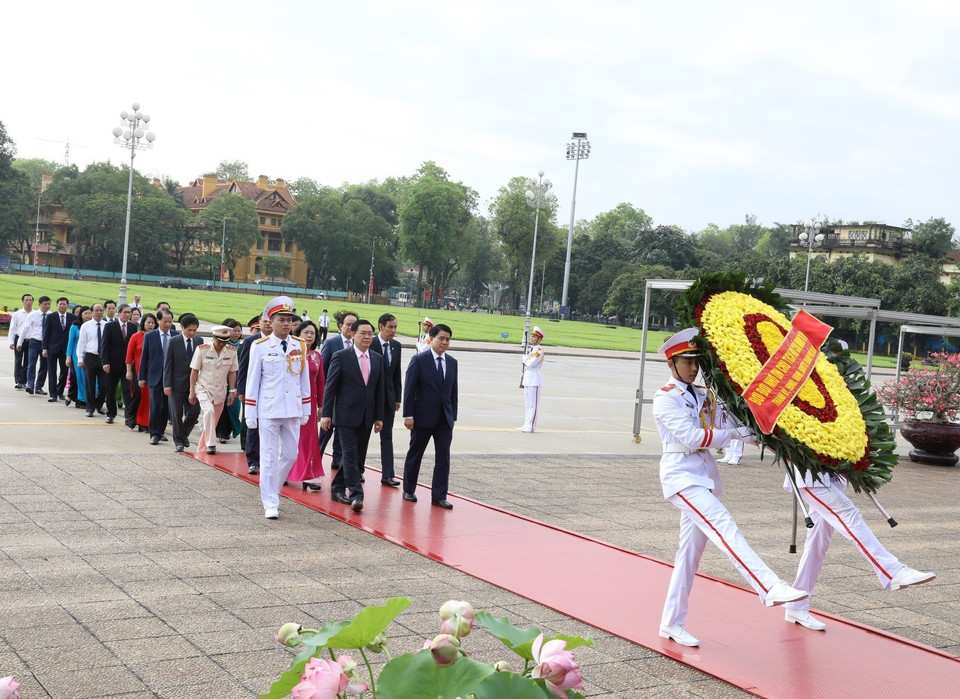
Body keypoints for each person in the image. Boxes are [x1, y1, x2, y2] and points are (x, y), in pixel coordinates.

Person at [653, 328, 808, 648]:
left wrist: (770, 435)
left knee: (688, 557)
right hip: (681, 476)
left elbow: (728, 424)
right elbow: (694, 438)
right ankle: (768, 586)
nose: (693, 368)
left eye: (696, 361)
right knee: (724, 526)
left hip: (701, 477)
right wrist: (736, 434)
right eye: (686, 362)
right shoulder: (665, 398)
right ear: (671, 363)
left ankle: (671, 623)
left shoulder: (704, 394)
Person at [781, 469, 935, 631]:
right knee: (849, 515)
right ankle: (892, 571)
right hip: (811, 479)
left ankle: (796, 606)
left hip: (832, 478)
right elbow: (754, 441)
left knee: (817, 544)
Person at [245, 296, 312, 519]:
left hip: (292, 407)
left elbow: (304, 380)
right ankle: (270, 502)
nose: (286, 324)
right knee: (269, 456)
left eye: (289, 320)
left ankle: (272, 488)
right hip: (269, 408)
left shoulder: (299, 345)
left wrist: (306, 408)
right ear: (270, 321)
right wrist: (250, 411)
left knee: (291, 455)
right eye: (281, 320)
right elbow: (253, 380)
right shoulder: (260, 346)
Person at [321, 318, 384, 512]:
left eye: (370, 334)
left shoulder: (377, 358)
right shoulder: (341, 356)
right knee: (348, 454)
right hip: (345, 415)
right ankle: (356, 494)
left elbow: (380, 390)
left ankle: (338, 487)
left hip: (367, 415)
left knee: (357, 457)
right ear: (352, 334)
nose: (367, 337)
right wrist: (326, 414)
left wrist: (379, 416)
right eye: (363, 333)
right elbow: (330, 387)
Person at [401, 323, 458, 509]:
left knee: (443, 458)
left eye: (448, 339)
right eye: (441, 338)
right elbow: (409, 390)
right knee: (415, 454)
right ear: (431, 339)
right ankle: (409, 489)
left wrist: (453, 416)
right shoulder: (419, 360)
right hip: (422, 418)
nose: (445, 342)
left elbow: (453, 393)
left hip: (444, 419)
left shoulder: (452, 362)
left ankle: (439, 495)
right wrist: (408, 415)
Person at [189, 325, 239, 455]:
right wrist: (192, 391)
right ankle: (211, 444)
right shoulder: (202, 350)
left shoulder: (232, 351)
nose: (222, 344)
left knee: (212, 421)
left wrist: (232, 391)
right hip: (203, 388)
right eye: (219, 341)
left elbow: (232, 373)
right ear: (213, 337)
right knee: (209, 412)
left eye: (225, 341)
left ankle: (201, 448)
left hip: (220, 391)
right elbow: (194, 371)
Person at [318, 310, 358, 470]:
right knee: (326, 431)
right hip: (333, 395)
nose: (350, 328)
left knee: (342, 434)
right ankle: (315, 462)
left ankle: (338, 460)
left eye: (353, 325)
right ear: (341, 325)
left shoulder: (358, 344)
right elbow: (323, 370)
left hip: (349, 399)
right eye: (348, 324)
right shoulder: (331, 343)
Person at [288, 320, 326, 491]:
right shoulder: (290, 353)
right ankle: (285, 473)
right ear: (298, 335)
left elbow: (320, 382)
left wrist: (321, 405)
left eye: (312, 333)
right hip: (290, 402)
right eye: (306, 333)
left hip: (309, 405)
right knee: (289, 438)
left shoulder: (317, 357)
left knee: (308, 440)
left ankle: (309, 476)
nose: (309, 336)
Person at [369, 313, 402, 486]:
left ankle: (388, 474)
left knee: (387, 437)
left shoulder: (396, 346)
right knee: (362, 437)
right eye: (390, 327)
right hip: (370, 399)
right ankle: (357, 470)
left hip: (388, 400)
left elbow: (396, 374)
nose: (393, 330)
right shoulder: (370, 343)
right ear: (381, 326)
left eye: (395, 327)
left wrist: (397, 397)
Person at [138, 309, 178, 445]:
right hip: (155, 375)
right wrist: (141, 377)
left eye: (170, 322)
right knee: (155, 405)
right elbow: (144, 358)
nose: (168, 324)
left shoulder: (175, 335)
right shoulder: (150, 336)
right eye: (165, 321)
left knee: (166, 407)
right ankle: (154, 433)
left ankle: (161, 432)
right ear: (158, 321)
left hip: (171, 377)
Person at [164, 313, 202, 452]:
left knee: (194, 411)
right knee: (177, 414)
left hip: (193, 384)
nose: (192, 333)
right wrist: (166, 384)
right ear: (182, 327)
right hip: (176, 384)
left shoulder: (199, 341)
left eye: (194, 330)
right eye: (189, 330)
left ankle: (184, 434)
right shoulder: (173, 341)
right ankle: (178, 442)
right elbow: (168, 364)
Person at [238, 314, 270, 475]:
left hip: (272, 392)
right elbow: (243, 367)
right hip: (253, 391)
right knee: (253, 425)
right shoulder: (251, 341)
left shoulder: (281, 341)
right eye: (265, 322)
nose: (268, 325)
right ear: (260, 324)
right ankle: (253, 461)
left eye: (271, 322)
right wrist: (241, 390)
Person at [100, 304, 137, 424]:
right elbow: (105, 345)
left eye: (129, 312)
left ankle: (128, 416)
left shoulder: (132, 326)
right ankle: (111, 414)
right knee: (111, 389)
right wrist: (105, 362)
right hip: (112, 363)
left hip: (127, 365)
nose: (127, 315)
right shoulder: (110, 326)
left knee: (127, 389)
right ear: (119, 313)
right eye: (125, 312)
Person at [215, 319, 244, 444]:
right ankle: (223, 433)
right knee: (224, 408)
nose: (236, 333)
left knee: (234, 408)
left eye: (239, 331)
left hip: (237, 381)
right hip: (222, 380)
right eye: (234, 331)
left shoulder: (243, 345)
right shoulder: (222, 345)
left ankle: (230, 430)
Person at [126, 313, 156, 432]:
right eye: (148, 322)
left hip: (151, 371)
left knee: (148, 398)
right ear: (143, 323)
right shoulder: (136, 336)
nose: (150, 325)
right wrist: (128, 371)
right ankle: (132, 417)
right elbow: (129, 356)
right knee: (138, 395)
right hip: (137, 370)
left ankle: (144, 422)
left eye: (153, 323)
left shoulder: (155, 336)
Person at [77, 303, 107, 416]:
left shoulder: (106, 325)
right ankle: (90, 408)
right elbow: (81, 343)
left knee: (104, 385)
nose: (99, 312)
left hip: (103, 358)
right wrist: (80, 359)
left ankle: (99, 404)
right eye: (97, 310)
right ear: (92, 311)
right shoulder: (86, 326)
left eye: (101, 310)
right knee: (90, 384)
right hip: (90, 357)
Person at [42, 296, 74, 402]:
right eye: (60, 304)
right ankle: (53, 394)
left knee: (64, 371)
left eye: (64, 304)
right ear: (57, 305)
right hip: (52, 348)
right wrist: (44, 348)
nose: (62, 306)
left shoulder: (72, 317)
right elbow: (45, 333)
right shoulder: (51, 317)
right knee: (52, 371)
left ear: (67, 305)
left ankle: (60, 391)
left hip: (65, 349)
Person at [22, 295, 51, 395]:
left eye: (49, 304)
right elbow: (25, 328)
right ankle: (30, 385)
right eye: (45, 304)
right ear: (39, 304)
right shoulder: (32, 315)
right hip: (34, 342)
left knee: (44, 366)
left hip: (46, 344)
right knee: (31, 364)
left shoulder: (51, 316)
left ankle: (39, 386)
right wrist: (19, 342)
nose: (47, 306)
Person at [65, 305, 92, 409]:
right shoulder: (75, 326)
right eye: (85, 313)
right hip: (77, 356)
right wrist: (68, 356)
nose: (88, 315)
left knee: (91, 379)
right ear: (81, 314)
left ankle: (90, 399)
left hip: (90, 355)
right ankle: (81, 400)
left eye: (89, 313)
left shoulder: (93, 325)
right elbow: (70, 343)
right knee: (80, 378)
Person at [519, 326, 545, 433]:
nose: (532, 338)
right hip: (528, 377)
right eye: (532, 336)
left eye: (534, 337)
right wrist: (526, 359)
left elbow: (531, 362)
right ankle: (526, 424)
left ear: (539, 339)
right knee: (528, 403)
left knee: (533, 404)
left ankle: (531, 426)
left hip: (534, 378)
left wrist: (525, 359)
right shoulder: (532, 350)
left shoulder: (539, 351)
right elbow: (526, 360)